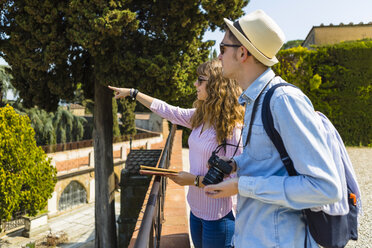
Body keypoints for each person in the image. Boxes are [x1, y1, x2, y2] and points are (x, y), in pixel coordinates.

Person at [204, 10, 343, 248]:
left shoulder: (283, 100)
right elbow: (269, 162)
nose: (218, 56)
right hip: (255, 237)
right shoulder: (255, 100)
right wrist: (236, 164)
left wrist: (241, 185)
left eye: (223, 48)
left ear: (242, 53)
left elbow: (325, 188)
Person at [109, 59, 244, 248]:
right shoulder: (200, 117)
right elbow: (168, 110)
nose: (195, 84)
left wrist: (194, 181)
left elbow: (235, 181)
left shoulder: (232, 129)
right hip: (196, 212)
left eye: (200, 80)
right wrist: (134, 93)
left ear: (216, 85)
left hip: (219, 217)